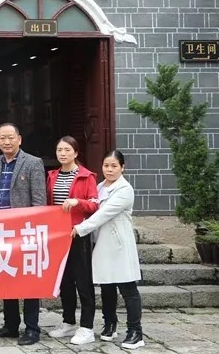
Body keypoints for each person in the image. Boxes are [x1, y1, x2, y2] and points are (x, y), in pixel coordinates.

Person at [73, 150, 144, 350]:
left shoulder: (125, 190)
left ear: (123, 167)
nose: (110, 170)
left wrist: (80, 229)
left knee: (128, 289)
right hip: (101, 244)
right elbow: (91, 208)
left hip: (119, 244)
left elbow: (104, 214)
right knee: (106, 286)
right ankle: (110, 323)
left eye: (114, 166)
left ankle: (135, 331)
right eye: (106, 166)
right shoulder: (100, 187)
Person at [0, 123, 46, 346]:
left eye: (11, 138)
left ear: (19, 139)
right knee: (6, 276)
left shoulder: (33, 163)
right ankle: (11, 324)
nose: (7, 142)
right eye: (3, 138)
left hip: (24, 231)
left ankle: (32, 328)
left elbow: (39, 201)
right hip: (0, 232)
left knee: (29, 281)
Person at [46, 136, 99, 345]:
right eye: (59, 150)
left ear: (76, 153)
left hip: (79, 234)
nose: (63, 153)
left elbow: (95, 205)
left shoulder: (87, 177)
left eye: (67, 150)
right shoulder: (52, 176)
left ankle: (87, 327)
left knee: (83, 282)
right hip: (59, 235)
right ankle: (68, 321)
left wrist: (78, 202)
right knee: (65, 281)